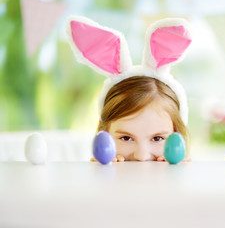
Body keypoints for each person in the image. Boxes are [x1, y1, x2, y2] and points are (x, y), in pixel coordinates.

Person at [66, 16, 192, 161]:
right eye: (126, 138)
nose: (141, 156)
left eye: (158, 138)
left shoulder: (185, 177)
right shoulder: (99, 175)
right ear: (104, 132)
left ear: (178, 135)